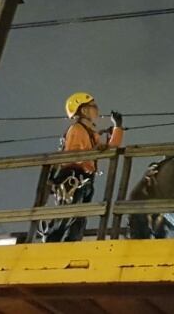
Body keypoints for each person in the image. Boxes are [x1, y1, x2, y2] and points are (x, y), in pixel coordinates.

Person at [39, 92, 124, 243]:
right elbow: (74, 156)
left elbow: (111, 149)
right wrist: (96, 150)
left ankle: (71, 244)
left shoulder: (90, 133)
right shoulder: (77, 130)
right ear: (84, 111)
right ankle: (51, 241)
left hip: (84, 179)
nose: (97, 109)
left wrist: (117, 128)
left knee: (78, 219)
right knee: (68, 215)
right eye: (94, 106)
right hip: (72, 178)